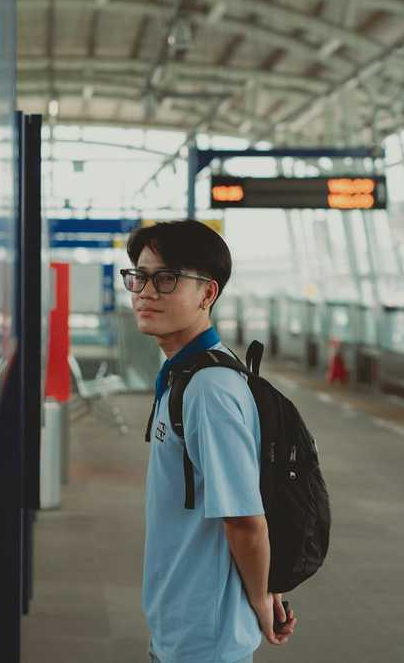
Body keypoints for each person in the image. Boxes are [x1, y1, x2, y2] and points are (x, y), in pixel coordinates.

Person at [123, 220, 297, 663]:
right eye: (139, 277)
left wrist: (259, 599)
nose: (145, 291)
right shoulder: (188, 375)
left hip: (204, 637)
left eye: (166, 279)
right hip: (185, 622)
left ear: (207, 294)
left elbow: (244, 518)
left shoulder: (208, 388)